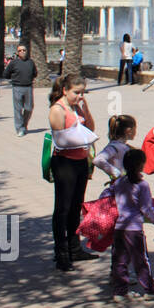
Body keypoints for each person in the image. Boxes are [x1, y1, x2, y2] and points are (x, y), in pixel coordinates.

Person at [47, 74, 99, 271]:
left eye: (82, 93)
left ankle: (75, 247)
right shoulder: (57, 109)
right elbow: (61, 141)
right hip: (65, 164)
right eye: (76, 93)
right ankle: (61, 253)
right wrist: (81, 136)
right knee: (63, 208)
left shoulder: (77, 107)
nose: (80, 96)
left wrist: (85, 108)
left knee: (76, 206)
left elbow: (91, 128)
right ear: (65, 91)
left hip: (80, 162)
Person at [99, 149, 154, 300]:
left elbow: (107, 194)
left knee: (119, 260)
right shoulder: (142, 185)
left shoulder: (119, 182)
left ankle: (120, 291)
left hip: (119, 227)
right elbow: (147, 209)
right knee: (141, 260)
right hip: (134, 230)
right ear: (141, 165)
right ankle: (150, 290)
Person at [4, 43, 38, 136]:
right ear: (17, 52)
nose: (22, 52)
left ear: (27, 51)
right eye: (20, 50)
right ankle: (19, 129)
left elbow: (35, 73)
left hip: (28, 88)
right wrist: (14, 78)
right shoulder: (13, 63)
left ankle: (24, 124)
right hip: (17, 87)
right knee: (18, 109)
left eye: (24, 50)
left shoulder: (31, 62)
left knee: (29, 108)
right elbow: (6, 74)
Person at [95, 115, 138, 183]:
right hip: (121, 185)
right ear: (129, 130)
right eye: (135, 129)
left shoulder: (123, 146)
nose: (136, 132)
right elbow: (98, 160)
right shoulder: (114, 147)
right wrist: (116, 173)